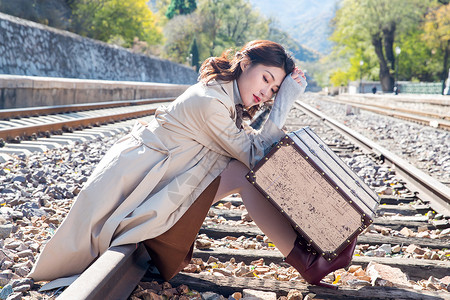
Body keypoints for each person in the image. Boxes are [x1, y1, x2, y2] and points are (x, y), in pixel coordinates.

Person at [29, 40, 344, 289]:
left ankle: (314, 246)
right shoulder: (212, 103)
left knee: (255, 170)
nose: (266, 92)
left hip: (165, 177)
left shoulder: (226, 97)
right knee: (250, 175)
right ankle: (308, 260)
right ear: (246, 63)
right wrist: (284, 104)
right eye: (266, 79)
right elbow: (256, 157)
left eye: (275, 90)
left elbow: (261, 148)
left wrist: (281, 104)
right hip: (146, 184)